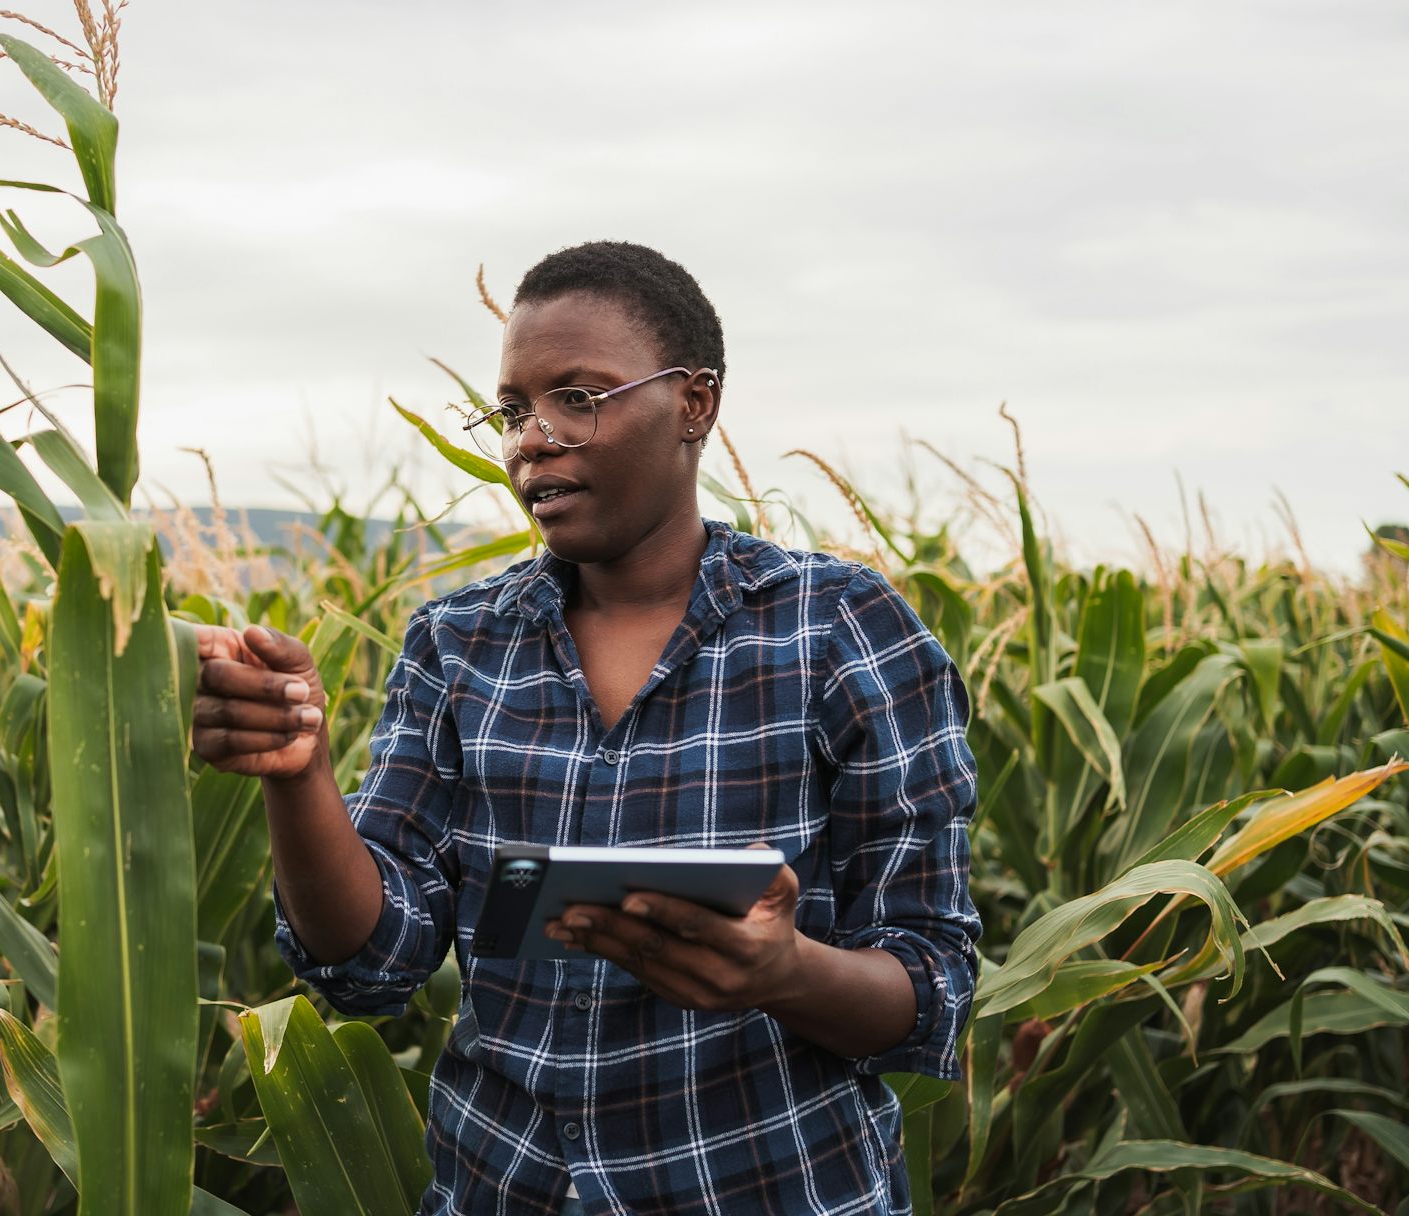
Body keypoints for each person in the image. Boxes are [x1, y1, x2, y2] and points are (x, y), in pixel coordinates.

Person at [190, 240, 981, 1215]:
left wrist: (784, 970)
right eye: (515, 408)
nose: (533, 436)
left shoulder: (840, 632)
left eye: (580, 396)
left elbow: (931, 985)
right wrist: (297, 766)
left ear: (694, 402)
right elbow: (370, 961)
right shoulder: (457, 643)